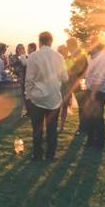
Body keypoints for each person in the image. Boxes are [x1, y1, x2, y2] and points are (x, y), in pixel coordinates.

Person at [24, 31, 68, 160]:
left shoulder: (33, 56)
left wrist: (28, 96)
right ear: (51, 42)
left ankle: (37, 154)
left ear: (39, 42)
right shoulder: (59, 57)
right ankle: (51, 154)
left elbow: (29, 79)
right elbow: (65, 77)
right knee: (52, 128)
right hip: (54, 98)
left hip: (37, 98)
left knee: (37, 129)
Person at [83, 37, 105, 150]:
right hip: (94, 90)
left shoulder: (103, 58)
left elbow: (99, 77)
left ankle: (98, 143)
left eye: (91, 44)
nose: (89, 46)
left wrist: (92, 94)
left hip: (98, 92)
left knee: (97, 118)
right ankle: (91, 141)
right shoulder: (96, 57)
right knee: (90, 117)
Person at [62, 37, 89, 133]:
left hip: (80, 84)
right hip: (78, 83)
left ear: (72, 45)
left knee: (82, 106)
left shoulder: (79, 55)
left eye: (68, 45)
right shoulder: (74, 55)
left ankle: (83, 128)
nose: (67, 47)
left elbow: (77, 70)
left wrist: (69, 72)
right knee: (82, 105)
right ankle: (83, 127)